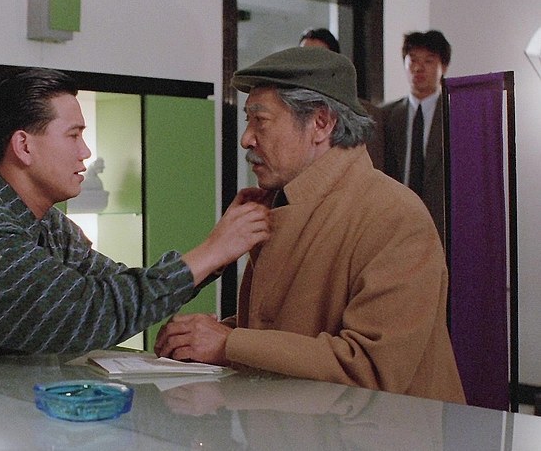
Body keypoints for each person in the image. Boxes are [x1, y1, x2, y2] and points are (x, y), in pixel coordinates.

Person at [0, 67, 271, 365]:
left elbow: (118, 287)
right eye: (74, 135)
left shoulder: (50, 224)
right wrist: (212, 251)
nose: (86, 152)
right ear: (24, 146)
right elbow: (85, 315)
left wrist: (217, 250)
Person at [154, 47, 465, 404]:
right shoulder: (281, 201)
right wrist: (200, 337)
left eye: (261, 120)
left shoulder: (395, 215)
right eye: (247, 120)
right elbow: (291, 326)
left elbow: (370, 367)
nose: (247, 139)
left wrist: (228, 343)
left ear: (321, 123)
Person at [381, 30, 451, 243]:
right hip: (394, 227)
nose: (419, 68)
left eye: (428, 61)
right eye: (413, 60)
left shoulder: (455, 115)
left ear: (443, 67)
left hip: (442, 227)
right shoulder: (385, 116)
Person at [299, 27, 385, 171]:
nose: (309, 65)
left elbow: (374, 171)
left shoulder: (364, 113)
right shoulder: (286, 110)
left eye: (318, 57)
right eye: (304, 57)